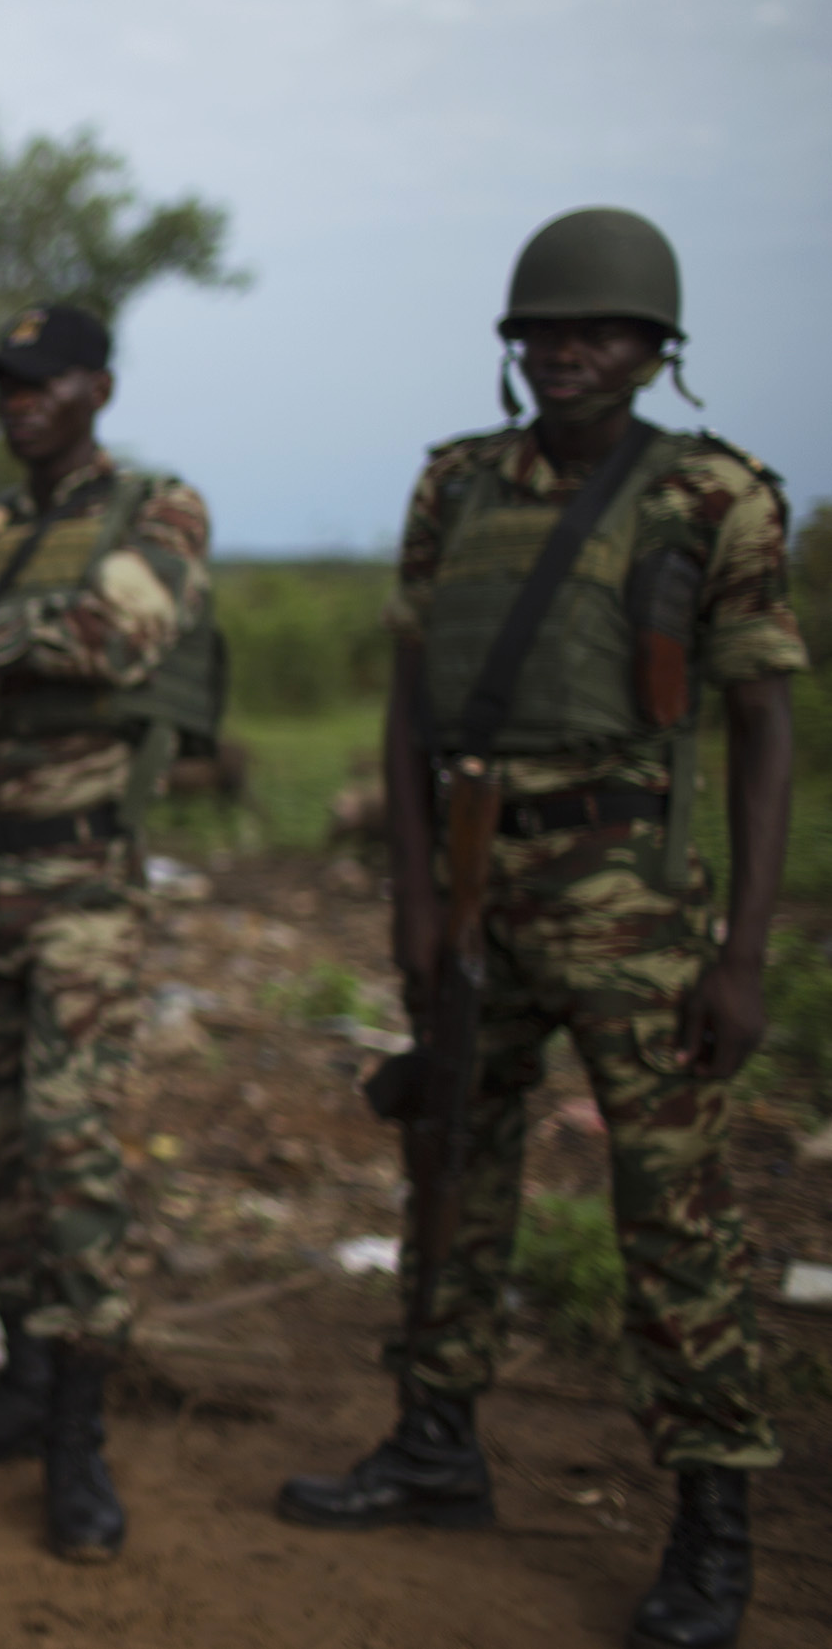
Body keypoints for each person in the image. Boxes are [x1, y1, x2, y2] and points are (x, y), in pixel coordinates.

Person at [277, 208, 802, 1649]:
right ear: (515, 346)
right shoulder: (457, 488)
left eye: (604, 331)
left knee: (671, 1212)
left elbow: (764, 725)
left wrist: (742, 953)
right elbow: (409, 702)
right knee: (453, 1166)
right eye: (546, 331)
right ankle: (436, 1439)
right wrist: (412, 897)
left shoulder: (714, 499)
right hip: (469, 882)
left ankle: (713, 1519)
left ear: (655, 349)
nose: (571, 350)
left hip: (633, 900)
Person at [0, 302, 218, 1562]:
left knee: (67, 1143)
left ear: (96, 389)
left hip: (83, 884)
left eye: (38, 381)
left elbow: (123, 633)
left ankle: (77, 1430)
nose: (14, 401)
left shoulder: (157, 507)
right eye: (1, 384)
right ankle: (20, 1379)